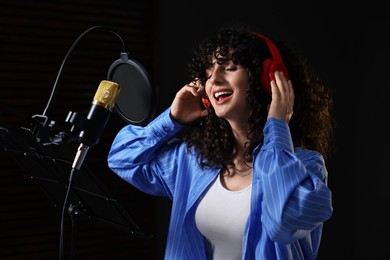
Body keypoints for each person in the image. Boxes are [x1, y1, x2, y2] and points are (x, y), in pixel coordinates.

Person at [107, 23, 335, 260]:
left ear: (267, 80)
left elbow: (283, 221)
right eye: (207, 74)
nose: (214, 79)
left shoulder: (307, 166)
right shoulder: (193, 160)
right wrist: (172, 119)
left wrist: (277, 125)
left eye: (229, 68)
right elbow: (121, 159)